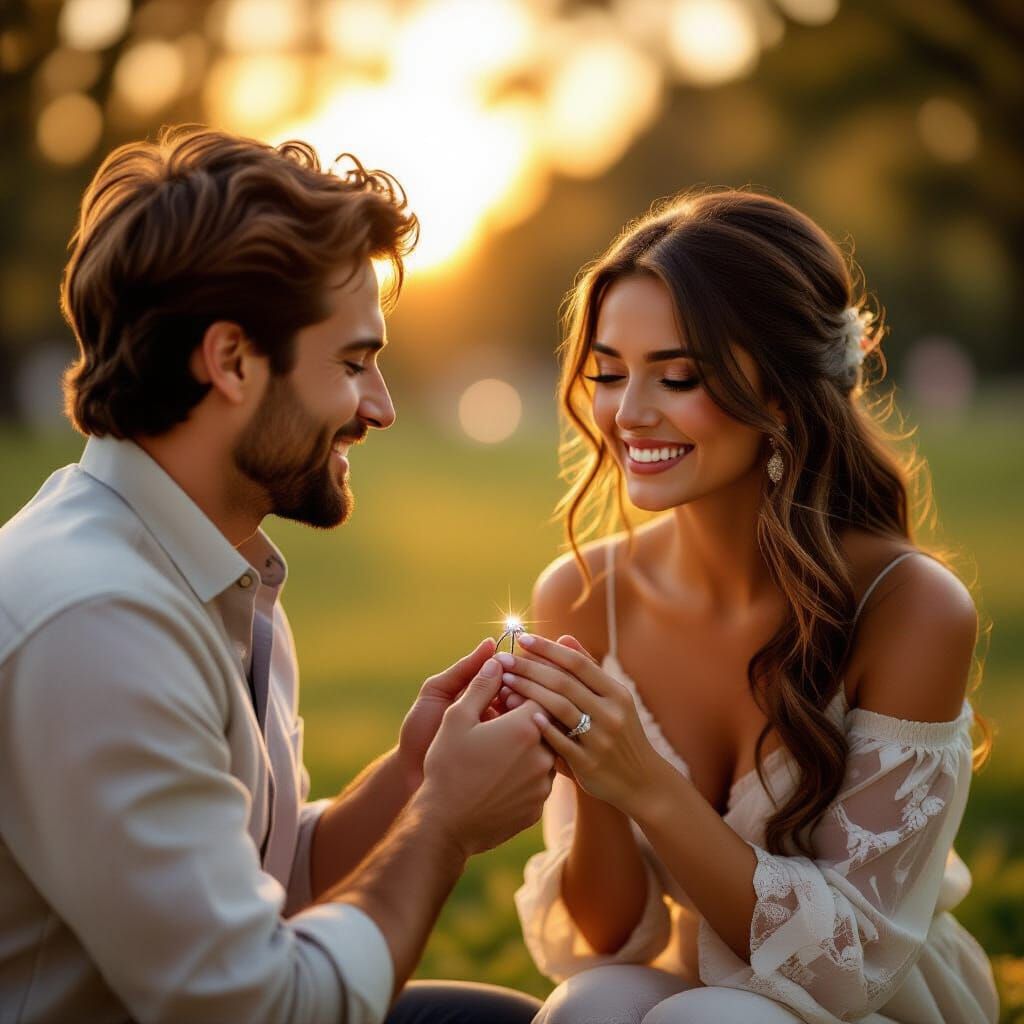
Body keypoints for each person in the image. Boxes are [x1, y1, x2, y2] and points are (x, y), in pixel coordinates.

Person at [0, 126, 553, 1024]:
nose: (381, 407)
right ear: (231, 361)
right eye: (353, 363)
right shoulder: (97, 621)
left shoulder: (215, 568)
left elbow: (264, 880)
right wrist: (445, 825)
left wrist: (414, 775)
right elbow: (257, 1007)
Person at [501, 191, 1000, 1022]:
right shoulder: (581, 596)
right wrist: (596, 774)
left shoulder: (910, 607)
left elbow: (846, 971)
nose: (629, 414)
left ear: (781, 393)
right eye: (609, 373)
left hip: (869, 1003)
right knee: (586, 1006)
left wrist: (649, 782)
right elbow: (606, 937)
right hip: (690, 982)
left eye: (678, 376)